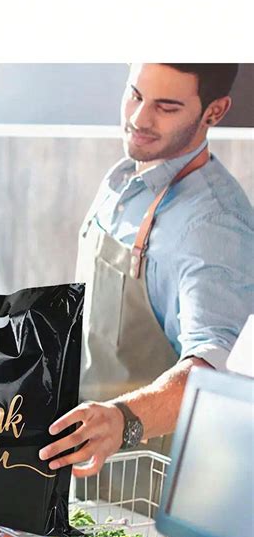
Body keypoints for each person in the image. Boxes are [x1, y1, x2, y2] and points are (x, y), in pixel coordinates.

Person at [39, 63, 253, 478]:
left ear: (215, 111)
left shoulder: (213, 225)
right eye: (135, 95)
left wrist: (123, 420)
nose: (138, 119)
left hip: (149, 492)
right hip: (86, 466)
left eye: (166, 107)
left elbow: (216, 370)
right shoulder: (125, 176)